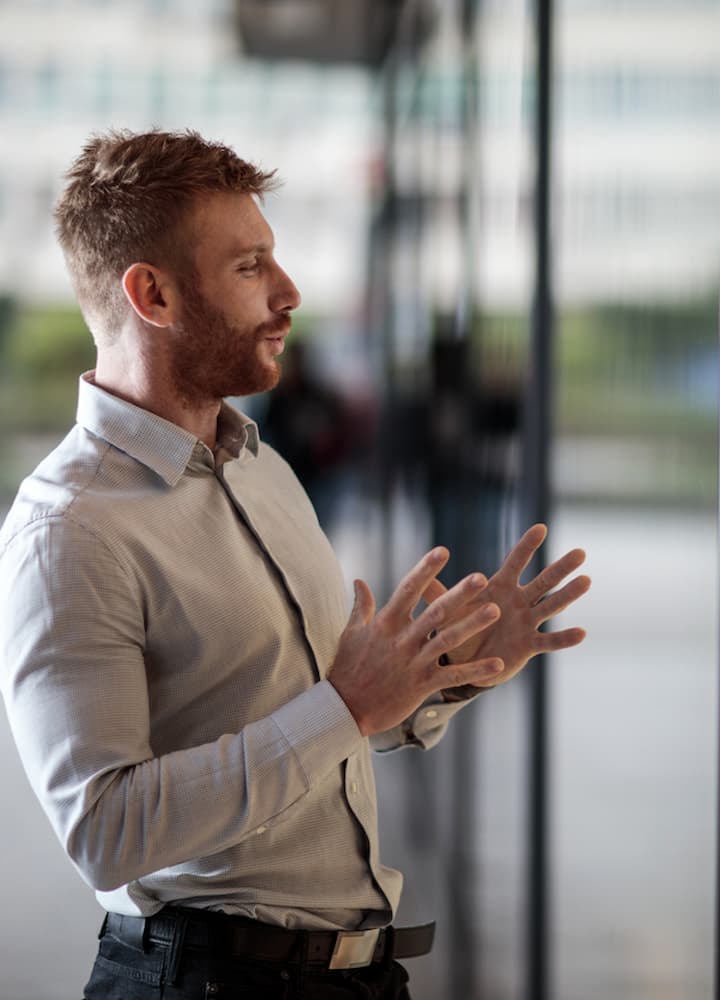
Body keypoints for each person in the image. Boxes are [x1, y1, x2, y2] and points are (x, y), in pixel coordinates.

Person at [0, 129, 590, 1000]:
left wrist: (437, 670)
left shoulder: (259, 466)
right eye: (249, 268)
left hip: (357, 975)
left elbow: (320, 722)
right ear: (151, 294)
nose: (289, 293)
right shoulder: (72, 527)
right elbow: (105, 829)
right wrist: (347, 702)